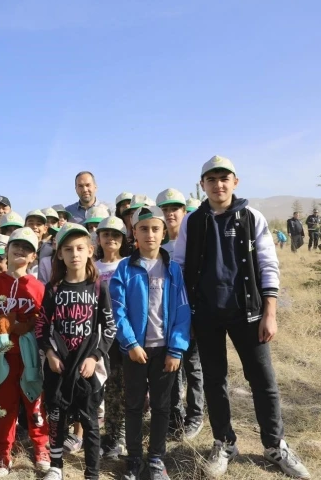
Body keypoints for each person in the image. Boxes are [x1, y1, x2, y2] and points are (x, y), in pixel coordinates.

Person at [174, 156, 310, 479]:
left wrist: (270, 312)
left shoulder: (251, 218)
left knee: (263, 380)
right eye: (211, 179)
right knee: (214, 380)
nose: (218, 184)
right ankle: (224, 442)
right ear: (202, 184)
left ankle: (275, 445)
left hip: (248, 314)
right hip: (205, 314)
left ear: (235, 182)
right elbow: (179, 268)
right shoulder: (192, 223)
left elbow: (267, 265)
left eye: (224, 178)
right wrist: (184, 315)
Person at [110, 206, 191, 480]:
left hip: (165, 351)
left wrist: (177, 347)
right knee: (133, 406)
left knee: (161, 407)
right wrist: (131, 343)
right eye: (143, 229)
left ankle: (156, 458)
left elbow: (182, 310)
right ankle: (134, 459)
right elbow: (117, 311)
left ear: (164, 231)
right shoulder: (124, 268)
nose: (150, 234)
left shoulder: (174, 270)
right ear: (134, 233)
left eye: (155, 229)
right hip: (134, 351)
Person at [36, 222, 116, 480]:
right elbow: (41, 326)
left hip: (87, 367)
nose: (75, 254)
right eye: (68, 249)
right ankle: (56, 466)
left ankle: (92, 473)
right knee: (57, 417)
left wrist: (95, 357)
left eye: (80, 248)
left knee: (90, 421)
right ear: (59, 254)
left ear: (91, 250)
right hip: (59, 365)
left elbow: (110, 328)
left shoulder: (98, 287)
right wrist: (49, 353)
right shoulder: (54, 288)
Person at [0, 228, 49, 476]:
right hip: (2, 358)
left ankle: (41, 448)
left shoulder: (38, 287)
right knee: (4, 408)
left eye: (27, 248)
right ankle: (2, 455)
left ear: (33, 256)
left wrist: (26, 326)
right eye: (16, 245)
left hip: (29, 359)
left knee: (35, 405)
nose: (21, 250)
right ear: (6, 251)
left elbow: (44, 324)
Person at [156, 188, 205, 440]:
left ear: (184, 212)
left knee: (193, 366)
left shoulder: (195, 243)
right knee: (172, 369)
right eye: (165, 210)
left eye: (174, 209)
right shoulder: (161, 249)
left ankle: (195, 415)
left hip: (193, 315)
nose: (170, 214)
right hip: (168, 318)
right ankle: (174, 417)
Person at [93, 216, 129, 459]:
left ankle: (118, 438)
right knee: (99, 388)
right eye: (106, 234)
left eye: (116, 235)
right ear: (99, 238)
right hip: (97, 336)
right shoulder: (92, 267)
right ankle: (97, 434)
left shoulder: (128, 264)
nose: (111, 239)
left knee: (119, 388)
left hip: (122, 336)